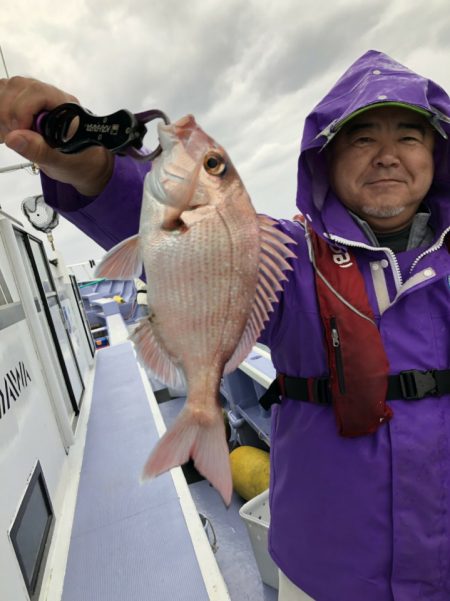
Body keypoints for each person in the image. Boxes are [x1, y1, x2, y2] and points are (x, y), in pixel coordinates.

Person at [1, 49, 450, 600]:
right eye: (362, 139)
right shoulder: (291, 258)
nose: (386, 156)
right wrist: (95, 168)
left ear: (436, 153)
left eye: (408, 136)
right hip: (326, 572)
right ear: (325, 160)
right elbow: (180, 238)